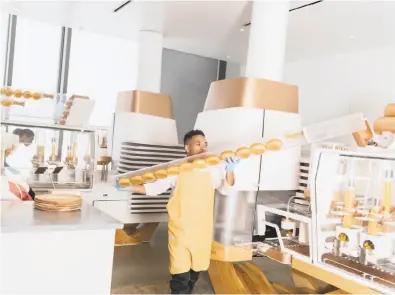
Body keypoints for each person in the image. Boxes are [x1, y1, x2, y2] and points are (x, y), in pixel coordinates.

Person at [116, 129, 240, 294]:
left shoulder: (213, 169)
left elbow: (227, 190)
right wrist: (128, 187)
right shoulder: (176, 169)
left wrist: (229, 170)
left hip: (202, 228)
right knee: (180, 271)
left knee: (197, 267)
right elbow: (154, 188)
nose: (203, 148)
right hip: (180, 228)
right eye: (198, 144)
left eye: (205, 144)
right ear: (187, 148)